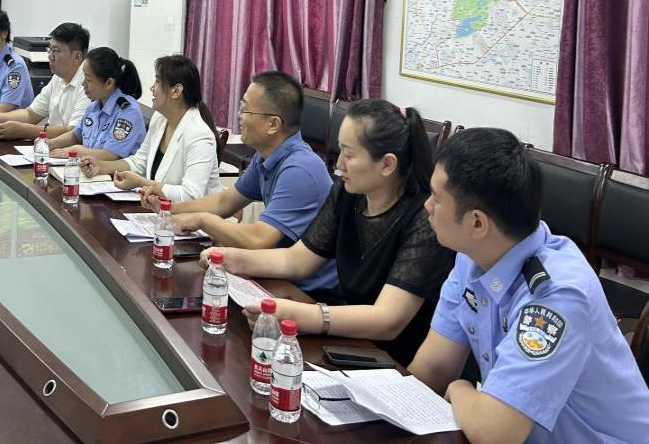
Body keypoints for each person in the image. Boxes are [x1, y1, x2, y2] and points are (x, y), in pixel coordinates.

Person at [408, 128, 649, 443]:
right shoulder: (472, 258)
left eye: (436, 198)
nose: (427, 206)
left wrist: (460, 388)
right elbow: (434, 367)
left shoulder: (556, 296)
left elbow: (495, 433)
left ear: (477, 223)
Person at [211, 99, 455, 365]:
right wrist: (231, 258)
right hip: (349, 342)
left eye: (349, 155)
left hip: (398, 361)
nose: (339, 164)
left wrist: (305, 316)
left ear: (387, 164)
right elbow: (297, 260)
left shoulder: (425, 219)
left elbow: (388, 320)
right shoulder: (348, 193)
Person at [147, 73, 337, 294]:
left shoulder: (300, 170)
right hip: (274, 274)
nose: (239, 116)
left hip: (308, 291)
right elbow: (225, 202)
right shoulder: (266, 156)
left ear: (273, 124)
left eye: (245, 109)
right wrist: (170, 208)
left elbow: (259, 238)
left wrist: (202, 219)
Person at [81, 54, 221, 202]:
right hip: (159, 209)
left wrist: (141, 182)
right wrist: (101, 166)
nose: (152, 88)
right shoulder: (160, 119)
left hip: (190, 215)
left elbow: (191, 195)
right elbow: (139, 162)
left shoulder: (199, 135)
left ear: (176, 91)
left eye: (158, 81)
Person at [0, 22, 90, 139]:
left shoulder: (88, 84)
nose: (50, 56)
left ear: (77, 56)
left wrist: (24, 130)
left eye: (55, 51)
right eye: (49, 49)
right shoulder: (58, 78)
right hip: (51, 145)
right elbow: (30, 114)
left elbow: (74, 132)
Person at [48, 47, 146, 161]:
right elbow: (75, 135)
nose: (83, 83)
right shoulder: (94, 106)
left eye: (88, 80)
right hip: (89, 168)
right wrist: (51, 143)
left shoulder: (128, 112)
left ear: (109, 83)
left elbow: (110, 155)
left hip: (115, 171)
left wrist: (74, 151)